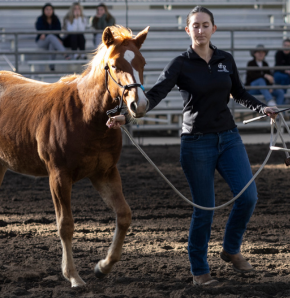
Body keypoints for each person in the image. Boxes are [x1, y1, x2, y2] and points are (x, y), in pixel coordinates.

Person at [106, 6, 278, 286]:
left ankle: (231, 249)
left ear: (214, 29)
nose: (200, 30)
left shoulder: (226, 59)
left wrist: (263, 108)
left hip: (229, 138)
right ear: (188, 30)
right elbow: (156, 94)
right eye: (195, 26)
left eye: (205, 25)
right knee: (205, 209)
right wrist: (126, 116)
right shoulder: (179, 64)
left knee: (248, 197)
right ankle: (200, 271)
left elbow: (239, 92)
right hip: (196, 143)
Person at [35, 3, 69, 70]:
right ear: (43, 10)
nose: (48, 11)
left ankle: (51, 66)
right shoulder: (40, 19)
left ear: (52, 10)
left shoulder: (56, 19)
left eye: (50, 9)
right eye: (47, 9)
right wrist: (56, 38)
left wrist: (56, 38)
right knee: (50, 37)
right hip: (42, 41)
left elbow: (58, 31)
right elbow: (40, 29)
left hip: (52, 41)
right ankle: (65, 53)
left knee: (52, 44)